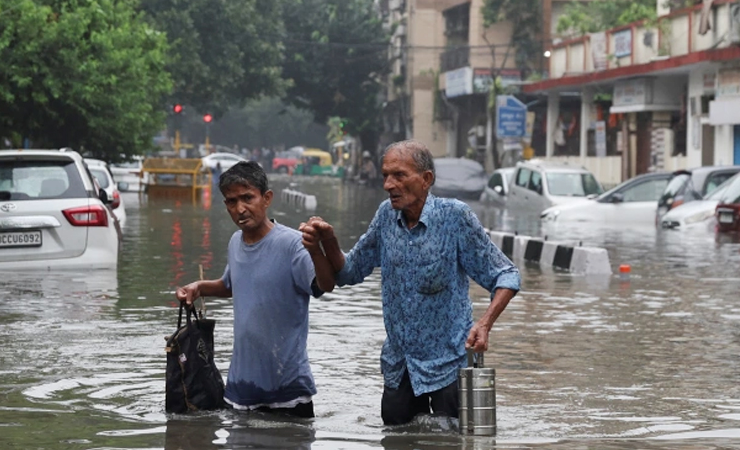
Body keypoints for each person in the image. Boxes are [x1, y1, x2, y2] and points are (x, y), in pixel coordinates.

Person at [300, 140, 520, 425]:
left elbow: (506, 275)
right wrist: (327, 240)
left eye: (399, 175)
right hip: (400, 366)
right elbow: (349, 272)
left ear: (426, 179)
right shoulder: (385, 216)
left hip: (449, 364)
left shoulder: (455, 217)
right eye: (385, 176)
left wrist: (485, 324)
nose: (388, 184)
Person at [175, 161, 336, 418]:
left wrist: (316, 250)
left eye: (248, 197)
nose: (240, 208)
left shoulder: (292, 244)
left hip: (288, 393)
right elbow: (231, 285)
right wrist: (198, 287)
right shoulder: (235, 242)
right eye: (231, 201)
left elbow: (325, 284)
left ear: (266, 198)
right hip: (240, 391)